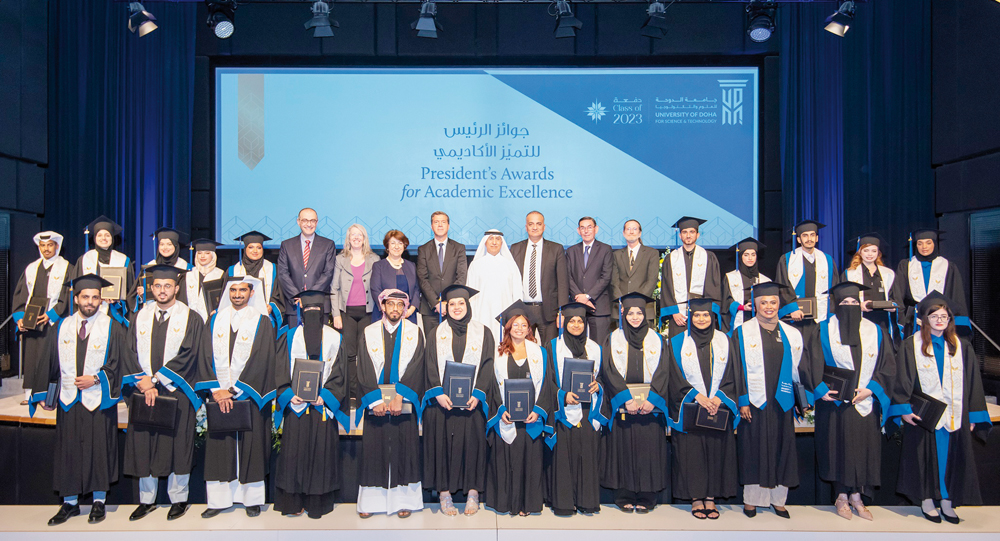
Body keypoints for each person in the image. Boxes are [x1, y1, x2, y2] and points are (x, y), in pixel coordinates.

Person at [31, 274, 125, 526]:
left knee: (100, 450)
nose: (90, 302)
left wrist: (96, 379)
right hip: (68, 401)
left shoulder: (112, 327)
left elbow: (119, 363)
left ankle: (98, 502)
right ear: (76, 299)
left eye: (95, 297)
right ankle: (69, 503)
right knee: (69, 451)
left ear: (100, 300)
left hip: (99, 400)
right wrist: (46, 395)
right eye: (85, 297)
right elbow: (50, 363)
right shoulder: (61, 326)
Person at [889, 292, 991, 524]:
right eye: (934, 316)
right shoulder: (911, 345)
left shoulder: (961, 346)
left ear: (949, 319)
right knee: (925, 459)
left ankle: (947, 501)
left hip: (955, 415)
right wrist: (904, 409)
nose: (939, 320)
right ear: (924, 319)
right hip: (925, 416)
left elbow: (973, 382)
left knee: (952, 459)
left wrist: (973, 415)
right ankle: (926, 500)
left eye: (944, 316)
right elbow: (902, 378)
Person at [800, 282, 895, 521]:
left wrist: (871, 390)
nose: (850, 306)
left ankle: (857, 496)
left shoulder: (875, 331)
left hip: (865, 403)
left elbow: (887, 365)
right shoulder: (822, 330)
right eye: (845, 302)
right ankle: (841, 496)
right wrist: (820, 389)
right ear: (836, 305)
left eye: (854, 302)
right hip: (834, 404)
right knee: (838, 450)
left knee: (863, 450)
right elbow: (809, 363)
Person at [120, 265, 206, 522]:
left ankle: (179, 498)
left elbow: (191, 353)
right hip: (144, 391)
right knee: (144, 443)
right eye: (157, 286)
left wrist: (157, 379)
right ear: (151, 288)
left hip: (176, 390)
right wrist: (143, 383)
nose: (162, 290)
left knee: (178, 445)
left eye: (167, 286)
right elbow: (128, 352)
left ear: (176, 288)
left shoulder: (191, 318)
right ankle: (147, 500)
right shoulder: (139, 316)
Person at [195, 276, 276, 518]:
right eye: (233, 290)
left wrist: (232, 391)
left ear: (252, 293)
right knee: (220, 448)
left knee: (252, 446)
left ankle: (252, 499)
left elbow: (263, 358)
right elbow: (204, 355)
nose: (237, 294)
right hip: (218, 395)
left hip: (249, 395)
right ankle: (218, 500)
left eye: (242, 290)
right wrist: (217, 391)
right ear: (227, 293)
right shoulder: (214, 320)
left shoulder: (262, 322)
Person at [273, 290, 350, 519]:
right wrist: (288, 394)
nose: (312, 314)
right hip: (296, 408)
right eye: (308, 310)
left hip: (321, 408)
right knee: (293, 456)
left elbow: (341, 374)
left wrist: (325, 396)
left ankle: (318, 503)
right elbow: (278, 370)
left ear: (323, 312)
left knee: (321, 456)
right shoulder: (288, 337)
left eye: (317, 310)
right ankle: (293, 502)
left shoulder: (335, 338)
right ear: (302, 313)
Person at [731, 282, 804, 519]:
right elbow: (736, 368)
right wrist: (743, 400)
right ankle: (752, 500)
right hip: (755, 402)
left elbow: (800, 369)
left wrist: (801, 400)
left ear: (779, 304)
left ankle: (778, 500)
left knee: (783, 449)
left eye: (773, 302)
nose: (769, 307)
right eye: (763, 302)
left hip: (782, 401)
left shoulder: (792, 333)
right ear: (756, 305)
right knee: (753, 449)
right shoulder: (742, 332)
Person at [422, 285, 494, 516]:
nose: (456, 308)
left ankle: (473, 493)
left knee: (473, 445)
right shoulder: (435, 333)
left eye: (461, 303)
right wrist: (438, 393)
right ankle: (444, 494)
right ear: (446, 307)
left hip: (472, 403)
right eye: (452, 304)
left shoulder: (484, 332)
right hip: (443, 403)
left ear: (468, 305)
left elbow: (488, 364)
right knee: (442, 446)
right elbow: (429, 365)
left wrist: (478, 393)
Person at [599, 293, 675, 514]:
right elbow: (608, 370)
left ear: (645, 314)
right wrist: (626, 399)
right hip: (624, 406)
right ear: (623, 314)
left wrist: (653, 400)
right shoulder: (612, 338)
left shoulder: (657, 339)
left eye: (639, 313)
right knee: (622, 450)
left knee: (648, 451)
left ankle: (647, 495)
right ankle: (624, 495)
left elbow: (664, 370)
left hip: (649, 408)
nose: (635, 317)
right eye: (630, 313)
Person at [355, 289, 426, 518]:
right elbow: (363, 366)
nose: (395, 308)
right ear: (383, 306)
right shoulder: (369, 332)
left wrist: (400, 396)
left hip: (402, 402)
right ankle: (371, 502)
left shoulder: (415, 332)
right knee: (373, 450)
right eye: (390, 304)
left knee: (404, 449)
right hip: (376, 403)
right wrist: (374, 400)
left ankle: (404, 501)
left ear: (405, 308)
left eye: (399, 304)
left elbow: (418, 365)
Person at [667, 298, 739, 520]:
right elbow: (672, 375)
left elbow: (734, 372)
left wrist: (718, 398)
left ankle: (711, 497)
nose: (701, 319)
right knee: (693, 454)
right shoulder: (677, 342)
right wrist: (696, 396)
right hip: (690, 406)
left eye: (706, 315)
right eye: (696, 315)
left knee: (716, 452)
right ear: (690, 317)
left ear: (712, 317)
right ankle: (696, 498)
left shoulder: (725, 341)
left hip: (718, 407)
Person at [485, 301, 554, 516]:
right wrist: (500, 410)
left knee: (529, 462)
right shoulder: (498, 353)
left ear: (529, 329)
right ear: (508, 327)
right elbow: (491, 386)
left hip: (530, 418)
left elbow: (547, 384)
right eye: (515, 324)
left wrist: (538, 410)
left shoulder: (540, 353)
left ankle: (527, 504)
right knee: (506, 460)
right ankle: (506, 503)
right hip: (506, 417)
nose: (519, 329)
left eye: (524, 325)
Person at [544, 302, 606, 516]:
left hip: (588, 411)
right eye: (572, 321)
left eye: (580, 321)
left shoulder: (595, 348)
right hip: (562, 411)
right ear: (564, 323)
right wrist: (562, 395)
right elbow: (546, 380)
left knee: (587, 454)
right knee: (563, 456)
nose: (577, 325)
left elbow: (603, 377)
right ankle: (564, 502)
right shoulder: (552, 346)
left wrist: (598, 386)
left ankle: (587, 501)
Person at [13, 231, 72, 405]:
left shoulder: (67, 268)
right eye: (43, 245)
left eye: (50, 245)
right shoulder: (31, 268)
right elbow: (21, 295)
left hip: (54, 321)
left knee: (49, 358)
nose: (46, 249)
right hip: (32, 321)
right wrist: (20, 318)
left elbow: (67, 296)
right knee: (31, 357)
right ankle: (30, 394)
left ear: (57, 246)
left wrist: (51, 315)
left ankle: (47, 396)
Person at [330, 224, 380, 400]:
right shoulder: (340, 259)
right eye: (353, 235)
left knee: (366, 352)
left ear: (365, 238)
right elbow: (334, 288)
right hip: (346, 313)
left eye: (360, 235)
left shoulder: (374, 259)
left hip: (368, 313)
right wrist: (336, 314)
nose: (357, 238)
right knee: (350, 354)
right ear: (348, 238)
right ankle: (352, 392)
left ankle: (364, 389)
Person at [891, 229, 970, 337]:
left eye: (928, 243)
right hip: (914, 319)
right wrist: (901, 318)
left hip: (940, 318)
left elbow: (956, 295)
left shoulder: (947, 266)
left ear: (935, 244)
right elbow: (898, 294)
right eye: (920, 243)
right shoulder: (906, 265)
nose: (924, 247)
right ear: (916, 245)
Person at [509, 211, 569, 343]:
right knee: (523, 349)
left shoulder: (556, 249)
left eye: (538, 224)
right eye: (531, 224)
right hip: (522, 310)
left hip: (548, 311)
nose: (535, 227)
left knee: (549, 349)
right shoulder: (515, 248)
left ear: (544, 227)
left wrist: (562, 312)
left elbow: (563, 283)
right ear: (526, 227)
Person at [659, 217, 722, 338]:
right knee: (678, 346)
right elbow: (667, 287)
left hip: (702, 316)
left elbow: (713, 287)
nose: (688, 235)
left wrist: (704, 312)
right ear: (680, 235)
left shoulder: (709, 257)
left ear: (698, 235)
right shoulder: (671, 258)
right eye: (685, 232)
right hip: (679, 316)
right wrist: (674, 312)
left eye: (692, 232)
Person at [277, 208, 337, 326]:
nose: (309, 224)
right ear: (298, 222)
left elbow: (328, 273)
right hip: (295, 307)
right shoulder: (287, 245)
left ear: (317, 222)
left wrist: (309, 298)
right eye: (305, 220)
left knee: (319, 338)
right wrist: (297, 296)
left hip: (319, 305)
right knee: (295, 338)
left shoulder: (328, 244)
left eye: (312, 221)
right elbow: (283, 273)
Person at [775, 220, 840, 328]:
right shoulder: (787, 259)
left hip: (821, 316)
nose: (809, 239)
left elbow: (834, 288)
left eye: (812, 235)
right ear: (799, 239)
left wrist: (832, 311)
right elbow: (782, 285)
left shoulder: (827, 260)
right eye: (805, 235)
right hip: (796, 316)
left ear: (817, 238)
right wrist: (792, 308)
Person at [74, 216, 136, 326]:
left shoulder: (123, 260)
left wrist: (118, 299)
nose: (104, 238)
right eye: (100, 235)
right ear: (94, 238)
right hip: (90, 311)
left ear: (112, 238)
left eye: (107, 235)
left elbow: (130, 291)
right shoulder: (84, 260)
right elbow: (76, 289)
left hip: (115, 314)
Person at [416, 211, 469, 337]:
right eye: (436, 222)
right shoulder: (423, 249)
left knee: (454, 343)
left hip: (454, 308)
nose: (440, 225)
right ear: (431, 226)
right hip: (430, 309)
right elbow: (422, 279)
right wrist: (436, 303)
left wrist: (448, 301)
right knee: (432, 344)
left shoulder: (459, 248)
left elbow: (461, 276)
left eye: (443, 222)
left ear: (448, 226)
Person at [843, 233, 899, 348]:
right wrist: (858, 305)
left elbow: (896, 298)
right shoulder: (850, 274)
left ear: (878, 253)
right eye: (866, 250)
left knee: (883, 349)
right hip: (861, 318)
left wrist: (893, 306)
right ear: (860, 252)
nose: (870, 254)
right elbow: (842, 299)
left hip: (883, 320)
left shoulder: (888, 274)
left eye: (874, 251)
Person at [466, 230, 522, 344]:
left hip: (505, 314)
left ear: (502, 243)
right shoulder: (475, 265)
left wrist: (515, 317)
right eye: (491, 239)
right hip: (481, 314)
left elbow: (517, 294)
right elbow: (470, 294)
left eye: (498, 239)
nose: (494, 242)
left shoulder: (510, 265)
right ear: (485, 242)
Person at [565, 217, 613, 344]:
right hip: (576, 307)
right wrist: (579, 297)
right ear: (578, 230)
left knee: (600, 346)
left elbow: (606, 277)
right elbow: (567, 277)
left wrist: (587, 297)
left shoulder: (606, 249)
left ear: (596, 229)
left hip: (599, 306)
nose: (586, 231)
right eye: (582, 228)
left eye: (589, 227)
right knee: (576, 345)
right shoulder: (571, 251)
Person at [228, 231, 284, 328]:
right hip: (239, 319)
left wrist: (272, 306)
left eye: (259, 247)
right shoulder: (233, 271)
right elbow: (225, 296)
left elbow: (279, 294)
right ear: (245, 249)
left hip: (266, 320)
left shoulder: (273, 269)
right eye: (251, 247)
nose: (255, 251)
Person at [610, 220, 659, 328]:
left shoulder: (652, 253)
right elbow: (614, 282)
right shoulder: (616, 255)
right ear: (623, 233)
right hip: (622, 309)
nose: (631, 232)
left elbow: (651, 281)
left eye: (634, 229)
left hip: (644, 309)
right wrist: (623, 303)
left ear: (640, 233)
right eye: (628, 229)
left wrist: (637, 303)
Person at [721, 237, 771, 334]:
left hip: (760, 320)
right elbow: (726, 301)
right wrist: (742, 307)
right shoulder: (730, 277)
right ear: (740, 256)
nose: (750, 258)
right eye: (746, 255)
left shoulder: (765, 280)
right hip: (739, 319)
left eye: (753, 254)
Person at [370, 230, 419, 324]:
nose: (396, 246)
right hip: (385, 315)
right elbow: (375, 290)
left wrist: (410, 310)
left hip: (408, 315)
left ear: (404, 246)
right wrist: (389, 310)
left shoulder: (411, 266)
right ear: (387, 246)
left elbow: (416, 290)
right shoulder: (378, 266)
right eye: (393, 243)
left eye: (400, 243)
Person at [136, 228, 190, 304]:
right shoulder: (149, 267)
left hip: (179, 309)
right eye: (162, 244)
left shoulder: (186, 268)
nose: (165, 247)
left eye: (169, 244)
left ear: (176, 246)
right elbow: (134, 298)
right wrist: (141, 295)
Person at [178, 239, 225, 322]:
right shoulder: (187, 275)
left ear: (213, 256)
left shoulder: (221, 275)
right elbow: (181, 300)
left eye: (207, 253)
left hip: (212, 320)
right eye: (199, 253)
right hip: (189, 321)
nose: (202, 256)